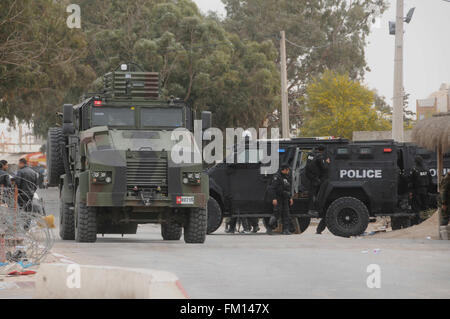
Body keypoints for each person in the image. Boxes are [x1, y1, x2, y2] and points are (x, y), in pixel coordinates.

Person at [305, 146, 330, 234]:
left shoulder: (310, 155)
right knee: (318, 196)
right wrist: (327, 163)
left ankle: (312, 209)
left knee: (312, 195)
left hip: (311, 178)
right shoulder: (320, 156)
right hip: (317, 179)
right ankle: (315, 210)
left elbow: (307, 168)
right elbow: (324, 168)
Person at [267, 164, 294, 235]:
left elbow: (288, 188)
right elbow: (272, 189)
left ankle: (285, 230)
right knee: (277, 214)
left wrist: (290, 197)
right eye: (287, 170)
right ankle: (269, 228)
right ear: (284, 170)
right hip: (278, 198)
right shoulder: (277, 177)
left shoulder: (287, 177)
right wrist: (274, 198)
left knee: (286, 214)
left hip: (285, 198)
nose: (288, 171)